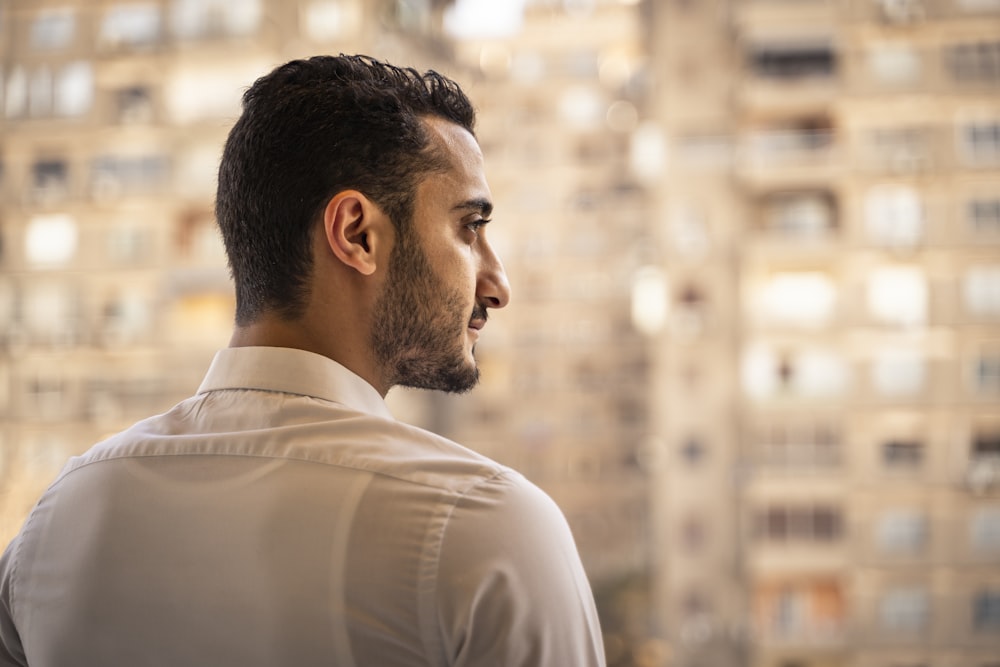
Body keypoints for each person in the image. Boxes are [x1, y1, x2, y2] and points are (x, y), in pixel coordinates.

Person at [0, 55, 606, 666]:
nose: (497, 283)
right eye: (470, 228)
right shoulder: (487, 526)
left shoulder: (56, 524)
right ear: (356, 234)